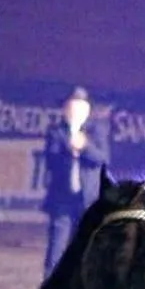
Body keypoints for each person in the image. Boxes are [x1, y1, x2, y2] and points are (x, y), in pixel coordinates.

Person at [40, 85, 111, 277]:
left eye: (80, 107)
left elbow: (103, 159)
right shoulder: (56, 131)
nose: (75, 111)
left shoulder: (97, 131)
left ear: (87, 110)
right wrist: (69, 151)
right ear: (64, 110)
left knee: (84, 246)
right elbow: (51, 161)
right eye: (71, 107)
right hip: (62, 197)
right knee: (56, 247)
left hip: (88, 199)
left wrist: (84, 146)